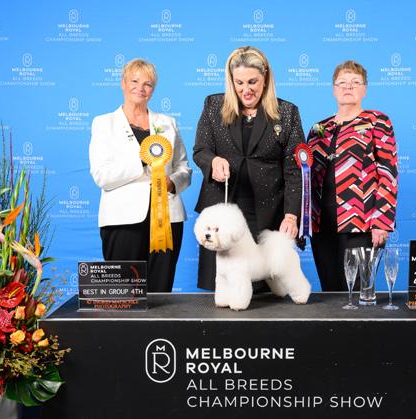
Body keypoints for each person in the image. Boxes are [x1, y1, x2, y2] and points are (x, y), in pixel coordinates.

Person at [193, 46, 305, 291]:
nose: (246, 89)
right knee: (223, 288)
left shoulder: (287, 113)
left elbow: (294, 170)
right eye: (239, 83)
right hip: (223, 210)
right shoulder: (213, 105)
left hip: (267, 212)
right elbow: (201, 150)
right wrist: (212, 161)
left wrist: (291, 215)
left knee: (266, 293)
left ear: (265, 79)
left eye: (253, 82)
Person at [89, 58, 192, 292]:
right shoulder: (104, 123)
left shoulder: (168, 123)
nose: (141, 88)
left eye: (148, 84)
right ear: (123, 83)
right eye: (134, 81)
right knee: (124, 295)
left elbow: (184, 168)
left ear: (153, 90)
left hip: (168, 219)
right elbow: (101, 175)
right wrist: (141, 160)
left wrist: (172, 183)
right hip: (122, 221)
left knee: (161, 292)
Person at [307, 60, 398, 291]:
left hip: (361, 223)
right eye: (342, 82)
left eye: (355, 82)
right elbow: (307, 178)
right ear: (334, 89)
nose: (348, 86)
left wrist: (382, 222)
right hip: (322, 227)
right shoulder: (319, 128)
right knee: (330, 293)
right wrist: (304, 222)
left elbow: (388, 173)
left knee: (358, 293)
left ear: (364, 89)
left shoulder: (377, 121)